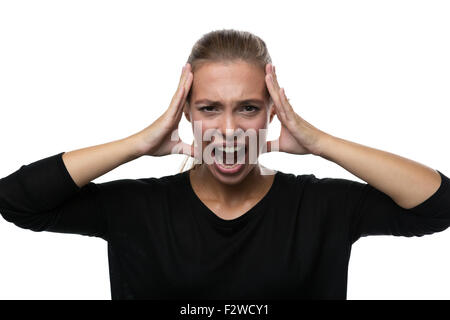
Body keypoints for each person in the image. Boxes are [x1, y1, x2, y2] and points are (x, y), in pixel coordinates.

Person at [0, 29, 449, 300]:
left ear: (273, 111)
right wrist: (138, 143)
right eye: (210, 108)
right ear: (187, 114)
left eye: (249, 107)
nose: (230, 129)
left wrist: (319, 142)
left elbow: (438, 206)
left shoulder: (319, 205)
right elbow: (17, 201)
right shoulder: (135, 208)